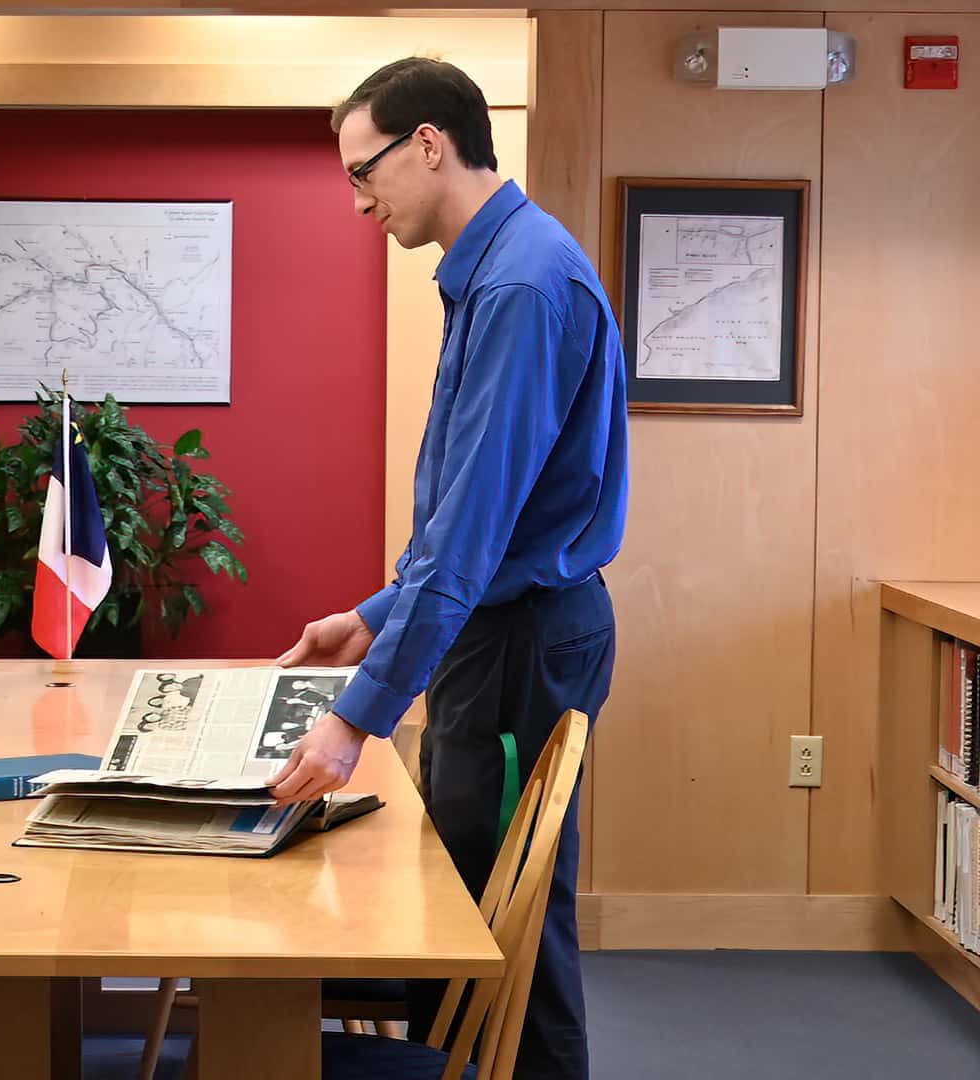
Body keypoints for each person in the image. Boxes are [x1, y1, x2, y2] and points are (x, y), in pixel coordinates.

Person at [270, 57, 627, 1080]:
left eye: (362, 171)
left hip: (522, 638)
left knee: (498, 941)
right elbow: (482, 516)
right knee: (465, 914)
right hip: (504, 626)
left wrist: (354, 720)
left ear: (429, 143)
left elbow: (472, 532)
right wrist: (380, 615)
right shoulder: (498, 266)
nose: (357, 202)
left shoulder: (520, 282)